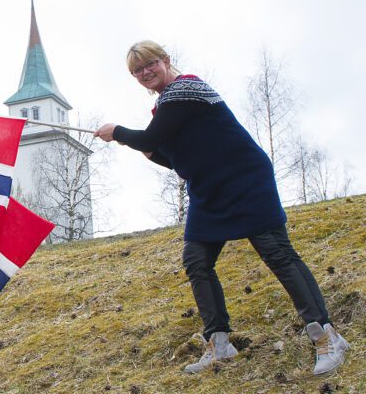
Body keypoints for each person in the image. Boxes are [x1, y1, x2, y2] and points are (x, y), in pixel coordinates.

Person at [94, 41, 349, 375]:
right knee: (197, 261)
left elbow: (150, 137)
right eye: (137, 71)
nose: (145, 73)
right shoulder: (164, 108)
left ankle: (326, 336)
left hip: (245, 181)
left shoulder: (186, 88)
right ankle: (220, 344)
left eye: (150, 64)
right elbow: (173, 158)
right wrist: (147, 149)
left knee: (278, 254)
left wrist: (119, 133)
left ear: (166, 60)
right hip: (209, 192)